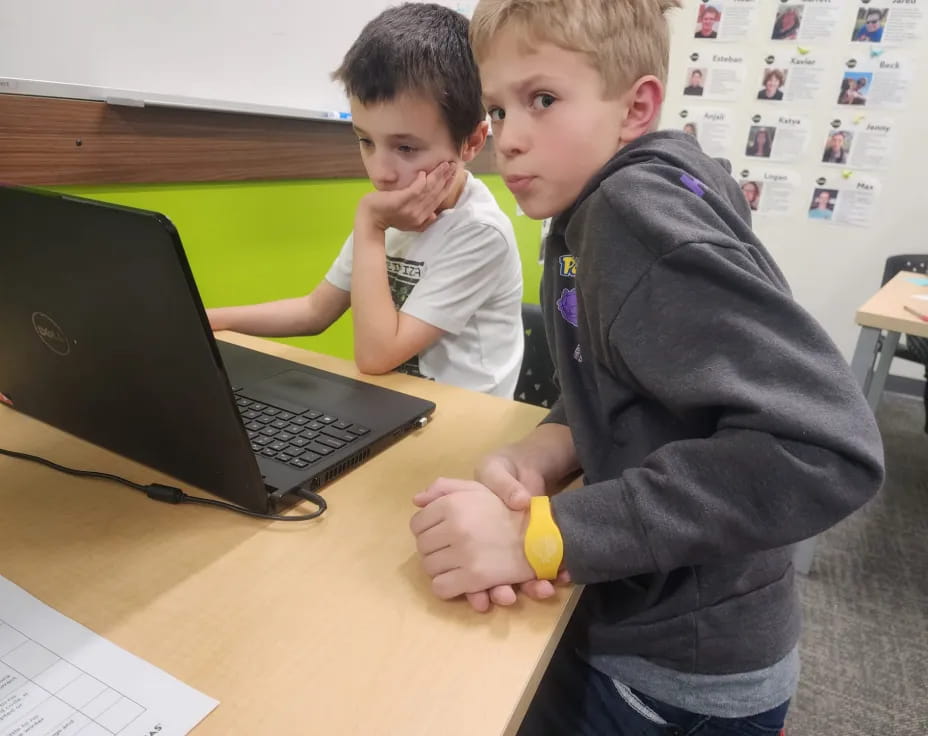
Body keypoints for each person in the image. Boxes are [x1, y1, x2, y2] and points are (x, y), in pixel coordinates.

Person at [410, 0, 884, 734]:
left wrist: (547, 535)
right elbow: (646, 369)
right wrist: (556, 438)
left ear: (636, 108)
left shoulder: (632, 218)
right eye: (498, 111)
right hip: (650, 613)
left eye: (542, 100)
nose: (509, 141)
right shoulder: (603, 199)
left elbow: (825, 446)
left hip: (678, 671)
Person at [207, 4, 524, 398]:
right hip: (398, 409)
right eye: (366, 141)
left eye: (406, 147)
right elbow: (315, 311)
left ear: (473, 142)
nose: (380, 172)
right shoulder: (390, 211)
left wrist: (370, 222)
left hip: (469, 431)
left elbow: (376, 356)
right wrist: (205, 321)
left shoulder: (478, 231)